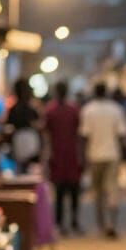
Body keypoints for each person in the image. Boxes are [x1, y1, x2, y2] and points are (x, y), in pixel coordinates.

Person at [79, 82, 126, 238]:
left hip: (94, 155)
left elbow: (84, 136)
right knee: (112, 190)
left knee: (98, 192)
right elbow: (121, 135)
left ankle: (101, 225)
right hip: (112, 155)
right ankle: (112, 224)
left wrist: (83, 156)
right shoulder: (116, 109)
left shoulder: (88, 110)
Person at [44, 80, 83, 234]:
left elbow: (46, 135)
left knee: (59, 192)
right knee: (74, 191)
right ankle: (73, 221)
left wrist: (48, 154)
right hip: (71, 155)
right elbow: (79, 135)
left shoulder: (51, 111)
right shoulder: (73, 110)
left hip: (58, 154)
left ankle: (60, 223)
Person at [6, 78, 42, 174]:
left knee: (20, 171)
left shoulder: (13, 109)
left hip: (18, 141)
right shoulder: (32, 107)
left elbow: (9, 126)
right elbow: (38, 124)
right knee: (32, 171)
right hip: (31, 140)